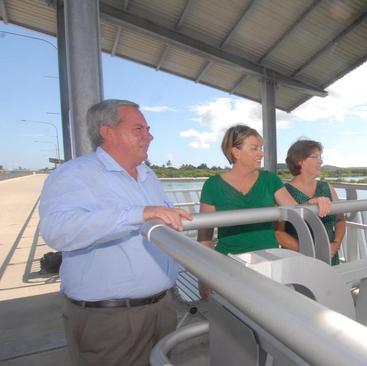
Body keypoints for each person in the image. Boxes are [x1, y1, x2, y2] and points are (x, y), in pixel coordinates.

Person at [39, 99, 192, 365]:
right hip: (111, 319)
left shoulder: (147, 176)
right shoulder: (74, 174)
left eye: (148, 128)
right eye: (139, 129)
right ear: (107, 132)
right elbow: (57, 231)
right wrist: (138, 214)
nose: (150, 135)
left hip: (162, 308)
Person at [197, 125, 331, 297]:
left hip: (269, 262)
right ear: (235, 152)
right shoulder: (213, 185)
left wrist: (314, 201)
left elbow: (295, 210)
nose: (261, 153)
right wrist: (204, 277)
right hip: (229, 263)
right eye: (254, 148)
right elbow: (204, 236)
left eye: (261, 148)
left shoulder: (270, 180)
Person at [276, 139, 346, 265]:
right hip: (299, 260)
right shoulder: (283, 192)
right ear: (300, 161)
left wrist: (336, 243)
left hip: (330, 257)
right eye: (316, 157)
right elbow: (279, 233)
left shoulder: (327, 187)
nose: (321, 161)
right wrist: (311, 251)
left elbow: (340, 220)